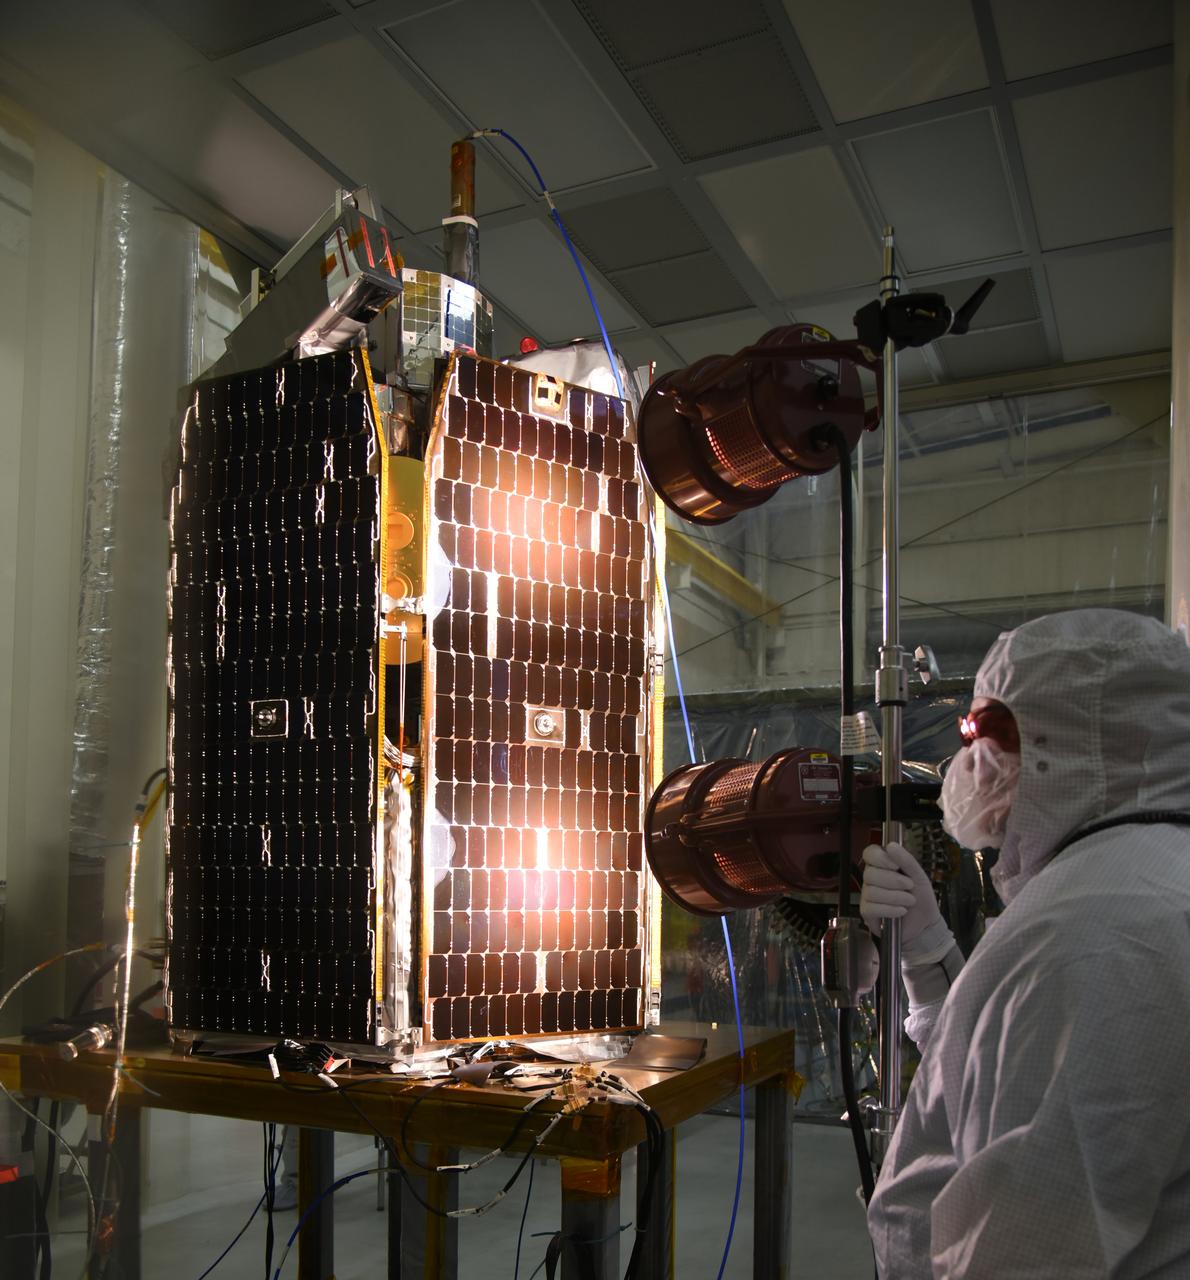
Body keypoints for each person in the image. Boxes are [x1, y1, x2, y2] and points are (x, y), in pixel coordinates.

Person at [860, 608, 1190, 1277]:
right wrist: (928, 955)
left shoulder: (1086, 933)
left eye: (985, 731)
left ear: (1056, 744)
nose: (969, 759)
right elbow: (1001, 1071)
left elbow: (1022, 1250)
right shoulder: (1137, 877)